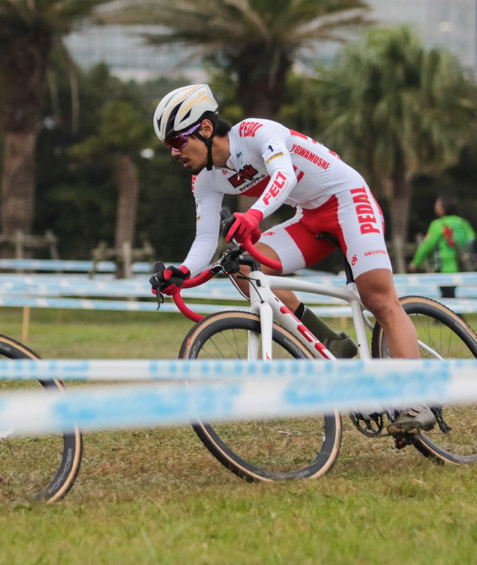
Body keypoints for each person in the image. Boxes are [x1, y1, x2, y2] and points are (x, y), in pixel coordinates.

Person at [148, 84, 434, 437]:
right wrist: (182, 272)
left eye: (177, 142)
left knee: (377, 298)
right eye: (167, 146)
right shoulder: (205, 180)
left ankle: (415, 401)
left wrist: (253, 217)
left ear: (206, 129)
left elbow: (282, 176)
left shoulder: (255, 133)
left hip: (347, 200)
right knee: (244, 269)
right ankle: (331, 342)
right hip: (310, 216)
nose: (174, 153)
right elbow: (206, 238)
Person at [411, 196, 477, 298]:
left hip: (443, 267)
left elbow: (427, 245)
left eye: (438, 204)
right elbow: (471, 239)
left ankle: (455, 315)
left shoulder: (438, 224)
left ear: (444, 208)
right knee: (453, 298)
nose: (435, 207)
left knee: (448, 300)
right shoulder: (463, 223)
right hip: (461, 266)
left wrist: (415, 263)